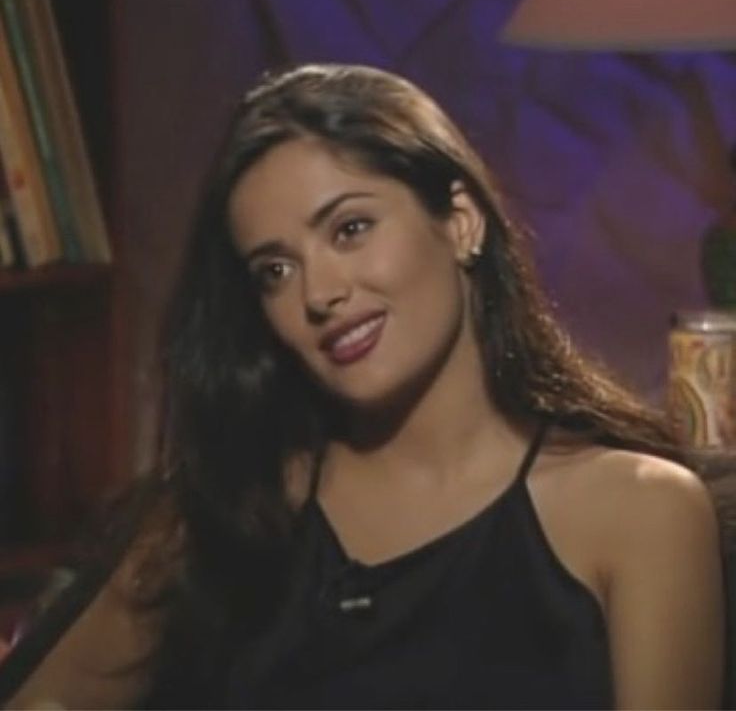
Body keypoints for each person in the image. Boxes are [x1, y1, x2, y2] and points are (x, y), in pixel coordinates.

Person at [3, 63, 725, 709]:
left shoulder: (638, 510)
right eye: (275, 271)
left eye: (350, 229)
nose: (319, 292)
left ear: (462, 222)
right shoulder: (234, 507)